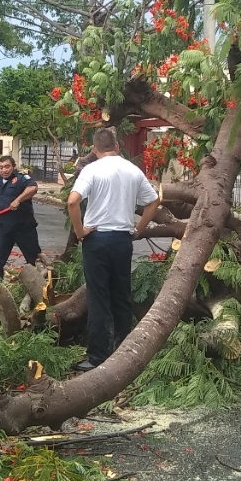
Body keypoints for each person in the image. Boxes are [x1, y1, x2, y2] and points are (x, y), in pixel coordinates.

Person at [67, 127, 160, 372]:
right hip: (122, 240)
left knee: (98, 297)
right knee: (121, 295)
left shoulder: (91, 169)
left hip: (96, 239)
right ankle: (123, 351)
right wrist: (138, 229)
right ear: (117, 146)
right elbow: (152, 201)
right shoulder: (132, 170)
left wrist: (79, 231)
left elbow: (73, 201)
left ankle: (97, 356)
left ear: (94, 149)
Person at [0, 155, 41, 276]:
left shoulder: (21, 178)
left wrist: (18, 200)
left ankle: (42, 287)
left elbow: (33, 188)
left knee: (34, 259)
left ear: (13, 167)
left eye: (7, 167)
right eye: (1, 167)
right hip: (4, 227)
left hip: (23, 227)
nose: (4, 170)